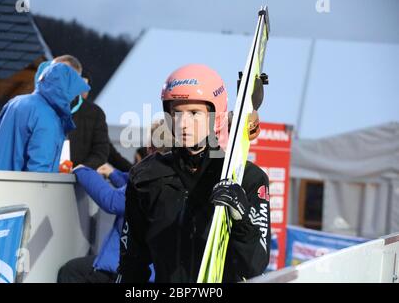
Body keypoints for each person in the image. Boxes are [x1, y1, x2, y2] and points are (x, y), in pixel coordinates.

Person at [117, 64, 271, 283]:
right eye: (176, 113)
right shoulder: (146, 177)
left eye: (194, 113)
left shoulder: (248, 178)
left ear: (215, 115)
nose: (183, 124)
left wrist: (242, 220)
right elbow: (132, 260)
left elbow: (255, 265)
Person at [56, 120, 169, 283]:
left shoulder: (150, 181)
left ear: (152, 150)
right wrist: (114, 174)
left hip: (129, 268)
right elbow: (132, 189)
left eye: (148, 146)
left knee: (70, 271)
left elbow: (113, 201)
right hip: (155, 269)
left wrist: (82, 170)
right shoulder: (171, 176)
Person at [0, 55, 90, 172]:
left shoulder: (15, 101)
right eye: (74, 89)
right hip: (19, 188)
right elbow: (39, 171)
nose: (75, 95)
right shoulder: (50, 118)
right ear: (66, 85)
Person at [68, 69, 110, 169]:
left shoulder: (95, 113)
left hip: (80, 178)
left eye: (85, 86)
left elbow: (102, 150)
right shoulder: (50, 106)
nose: (81, 90)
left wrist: (82, 170)